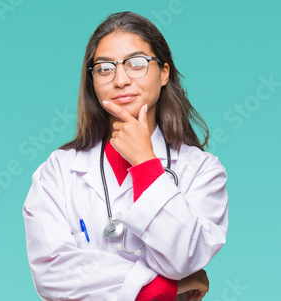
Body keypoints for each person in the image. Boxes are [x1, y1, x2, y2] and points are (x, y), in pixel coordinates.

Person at [22, 11, 228, 301]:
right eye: (105, 68)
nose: (120, 79)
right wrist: (167, 287)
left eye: (136, 64)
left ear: (164, 72)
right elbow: (51, 274)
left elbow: (184, 258)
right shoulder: (58, 171)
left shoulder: (202, 170)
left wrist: (145, 162)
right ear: (92, 81)